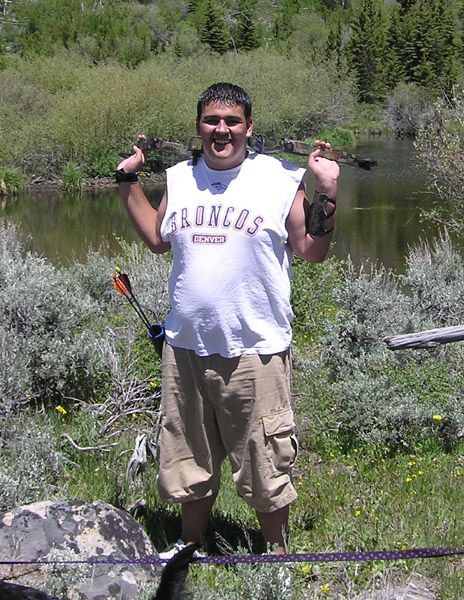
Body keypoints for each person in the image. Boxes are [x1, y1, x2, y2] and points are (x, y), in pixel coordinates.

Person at [116, 82, 339, 556]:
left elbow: (312, 249)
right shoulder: (179, 177)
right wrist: (126, 180)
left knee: (264, 459)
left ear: (249, 127)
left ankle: (275, 553)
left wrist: (327, 189)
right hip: (186, 349)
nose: (222, 130)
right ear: (199, 127)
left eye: (232, 121)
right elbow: (158, 237)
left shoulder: (279, 178)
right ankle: (189, 546)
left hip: (255, 350)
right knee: (186, 456)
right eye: (212, 121)